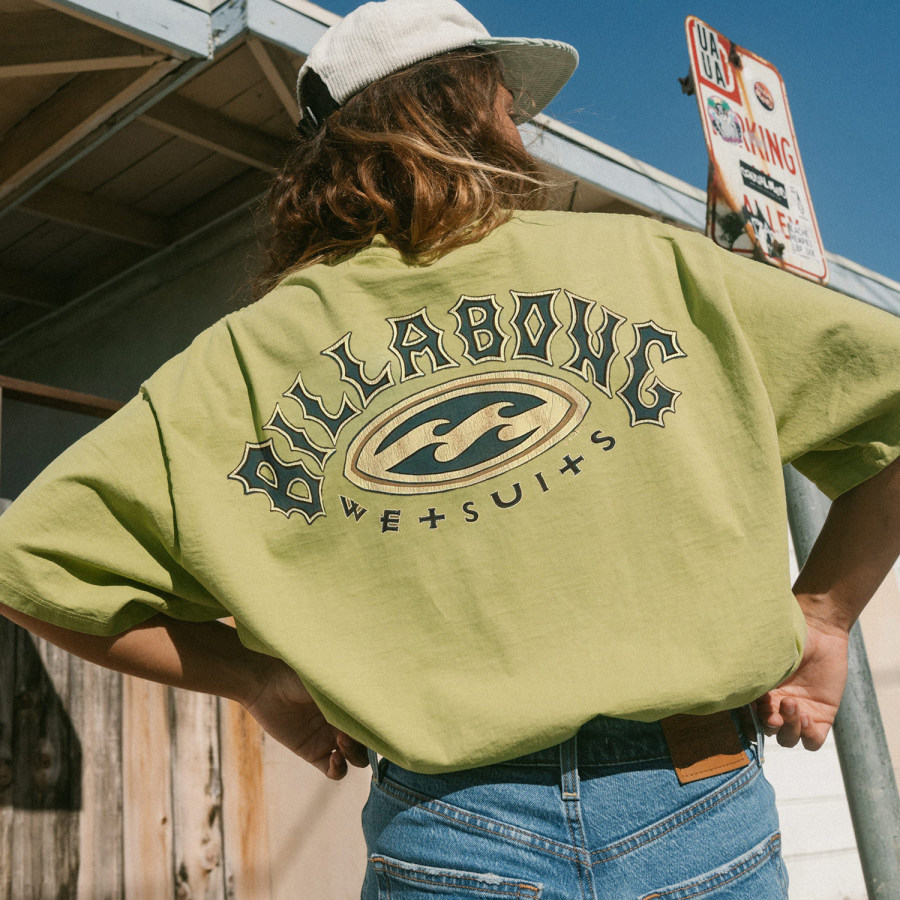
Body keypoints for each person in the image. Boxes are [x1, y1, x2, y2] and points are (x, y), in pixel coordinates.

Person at [1, 0, 899, 896]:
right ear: (472, 112)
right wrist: (824, 613)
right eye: (509, 104)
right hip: (700, 803)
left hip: (451, 834)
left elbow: (28, 562)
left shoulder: (239, 364)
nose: (520, 124)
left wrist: (254, 682)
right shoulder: (654, 266)